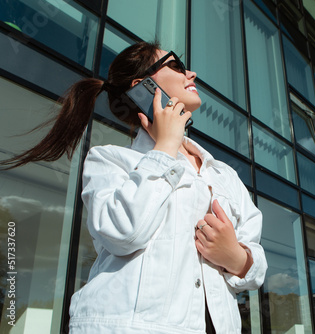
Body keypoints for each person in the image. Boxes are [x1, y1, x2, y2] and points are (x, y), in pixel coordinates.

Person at [1, 41, 267, 333]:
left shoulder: (224, 175)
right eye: (176, 65)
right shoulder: (110, 161)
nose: (191, 74)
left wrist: (236, 257)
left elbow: (256, 267)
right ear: (145, 87)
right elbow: (123, 234)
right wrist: (165, 148)